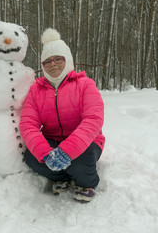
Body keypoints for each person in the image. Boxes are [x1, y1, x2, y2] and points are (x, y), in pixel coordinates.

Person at [19, 28, 105, 203]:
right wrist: (44, 152)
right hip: (53, 140)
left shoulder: (85, 84)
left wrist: (68, 151)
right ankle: (62, 177)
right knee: (31, 156)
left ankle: (86, 184)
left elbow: (93, 119)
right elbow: (28, 124)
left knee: (80, 157)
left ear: (68, 60)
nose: (53, 64)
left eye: (58, 59)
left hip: (87, 142)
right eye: (47, 61)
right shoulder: (36, 90)